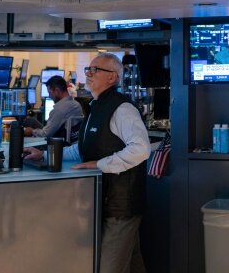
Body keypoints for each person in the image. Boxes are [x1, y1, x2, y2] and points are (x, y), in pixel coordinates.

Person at [23, 53, 150, 273]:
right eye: (88, 70)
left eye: (95, 70)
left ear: (112, 77)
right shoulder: (96, 107)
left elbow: (140, 149)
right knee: (131, 262)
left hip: (120, 206)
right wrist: (45, 155)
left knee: (109, 267)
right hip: (104, 202)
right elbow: (82, 150)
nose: (88, 74)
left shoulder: (122, 109)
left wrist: (99, 164)